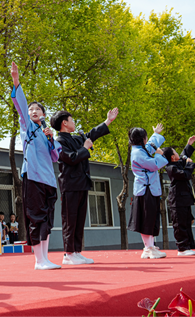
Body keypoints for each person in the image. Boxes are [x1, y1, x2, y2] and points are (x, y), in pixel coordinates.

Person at [50, 108, 119, 265]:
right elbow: (71, 158)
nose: (74, 122)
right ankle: (68, 254)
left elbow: (92, 134)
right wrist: (85, 148)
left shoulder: (75, 138)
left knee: (80, 219)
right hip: (70, 184)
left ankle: (76, 252)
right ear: (64, 123)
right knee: (70, 219)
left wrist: (108, 121)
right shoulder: (59, 142)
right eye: (72, 120)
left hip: (82, 183)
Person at [10, 62, 61, 270]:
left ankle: (46, 258)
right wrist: (16, 81)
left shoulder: (46, 132)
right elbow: (20, 106)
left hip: (49, 179)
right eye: (31, 109)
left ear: (43, 114)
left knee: (47, 218)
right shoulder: (27, 126)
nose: (33, 111)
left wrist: (51, 138)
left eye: (37, 109)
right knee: (36, 217)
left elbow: (56, 156)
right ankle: (39, 260)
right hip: (32, 176)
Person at [127, 124, 168, 259]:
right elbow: (154, 164)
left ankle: (149, 246)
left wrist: (156, 134)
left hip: (148, 189)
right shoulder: (138, 152)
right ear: (142, 139)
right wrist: (162, 155)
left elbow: (150, 146)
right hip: (146, 189)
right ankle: (148, 247)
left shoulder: (140, 149)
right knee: (146, 219)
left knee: (150, 218)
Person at [162, 136, 195, 256]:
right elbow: (185, 175)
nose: (178, 153)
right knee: (180, 224)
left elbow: (183, 156)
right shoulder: (171, 168)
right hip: (177, 200)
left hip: (184, 199)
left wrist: (188, 145)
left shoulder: (176, 163)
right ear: (173, 157)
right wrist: (189, 165)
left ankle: (188, 246)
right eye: (175, 152)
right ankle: (182, 248)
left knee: (187, 222)